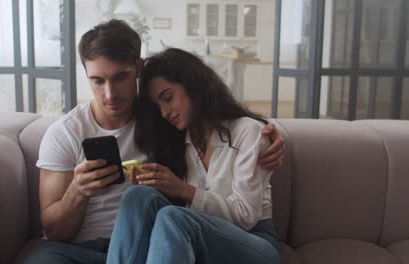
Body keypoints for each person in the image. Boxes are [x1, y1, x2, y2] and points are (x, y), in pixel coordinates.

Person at [22, 20, 284, 264]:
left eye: (120, 77)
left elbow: (233, 126)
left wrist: (274, 136)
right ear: (86, 74)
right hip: (103, 245)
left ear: (138, 68)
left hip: (225, 236)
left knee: (171, 216)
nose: (110, 94)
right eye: (97, 80)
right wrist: (77, 190)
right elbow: (53, 230)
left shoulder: (166, 123)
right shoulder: (170, 127)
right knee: (139, 195)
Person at [107, 48, 282, 264]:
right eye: (158, 106)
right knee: (138, 195)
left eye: (168, 98)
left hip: (256, 242)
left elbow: (246, 217)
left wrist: (184, 190)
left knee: (173, 217)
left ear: (193, 85)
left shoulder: (248, 132)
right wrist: (159, 185)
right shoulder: (178, 142)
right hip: (202, 235)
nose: (164, 112)